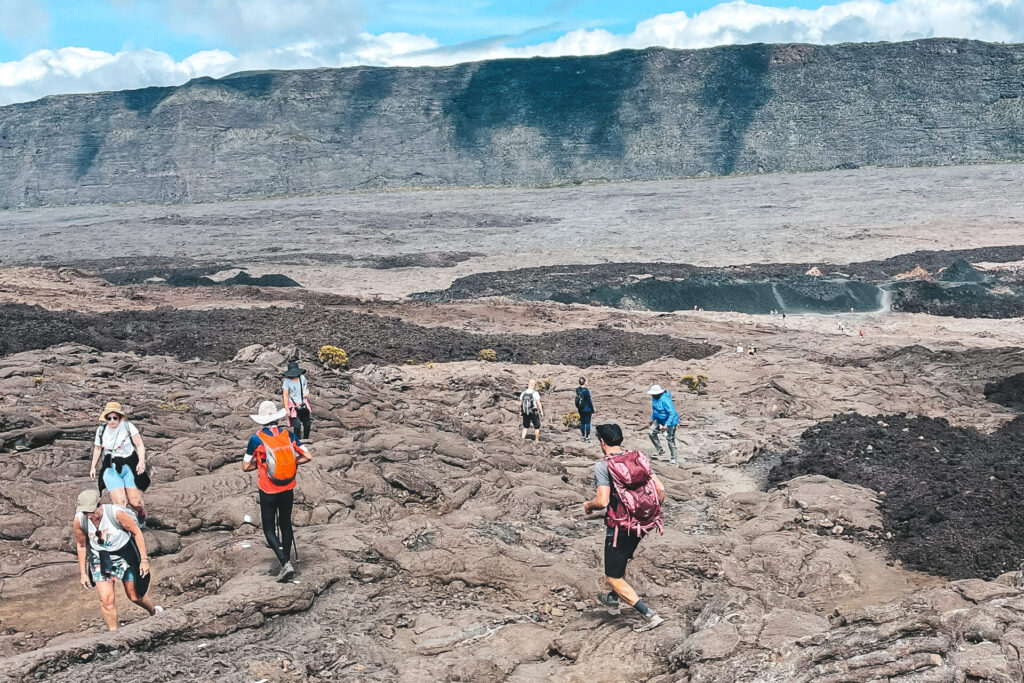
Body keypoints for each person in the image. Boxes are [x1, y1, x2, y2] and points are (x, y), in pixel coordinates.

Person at [583, 423, 665, 632]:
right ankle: (613, 598)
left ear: (602, 442)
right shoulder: (638, 457)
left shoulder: (604, 465)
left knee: (613, 576)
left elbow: (602, 501)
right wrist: (650, 512)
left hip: (620, 527)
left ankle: (649, 615)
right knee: (623, 560)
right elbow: (660, 488)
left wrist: (588, 505)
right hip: (642, 524)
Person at [73, 489, 162, 631]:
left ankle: (154, 612)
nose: (89, 516)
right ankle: (114, 635)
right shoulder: (80, 520)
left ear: (99, 505)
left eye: (91, 511)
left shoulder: (116, 514)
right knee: (106, 601)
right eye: (85, 513)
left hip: (124, 555)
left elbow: (136, 532)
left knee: (134, 596)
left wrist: (143, 560)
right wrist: (83, 573)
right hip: (100, 558)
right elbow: (81, 545)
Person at [243, 400, 312, 582]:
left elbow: (245, 466)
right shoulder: (288, 435)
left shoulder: (256, 438)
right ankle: (287, 560)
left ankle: (284, 563)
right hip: (287, 486)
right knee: (285, 523)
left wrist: (262, 466)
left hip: (268, 488)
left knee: (268, 529)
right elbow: (307, 456)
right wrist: (290, 463)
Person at [90, 401, 149, 526]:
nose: (112, 420)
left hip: (129, 466)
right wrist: (93, 467)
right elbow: (97, 449)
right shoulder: (101, 431)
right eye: (108, 418)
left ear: (119, 417)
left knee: (135, 502)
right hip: (110, 468)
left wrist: (141, 462)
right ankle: (128, 526)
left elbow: (139, 445)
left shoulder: (128, 427)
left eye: (114, 418)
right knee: (120, 504)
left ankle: (141, 512)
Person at [647, 384, 679, 465]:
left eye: (654, 394)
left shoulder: (665, 400)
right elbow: (655, 411)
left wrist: (666, 425)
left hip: (670, 421)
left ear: (659, 393)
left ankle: (674, 459)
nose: (653, 396)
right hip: (659, 419)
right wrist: (652, 419)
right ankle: (660, 449)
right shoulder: (654, 399)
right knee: (651, 433)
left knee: (670, 439)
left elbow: (671, 413)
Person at [282, 361, 312, 440]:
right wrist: (287, 409)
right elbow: (285, 395)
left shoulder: (302, 378)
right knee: (297, 425)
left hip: (303, 403)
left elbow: (306, 388)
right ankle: (297, 441)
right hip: (293, 405)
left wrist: (307, 393)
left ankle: (306, 439)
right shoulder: (287, 382)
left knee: (307, 424)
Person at [574, 377, 595, 442]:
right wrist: (592, 411)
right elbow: (589, 401)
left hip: (580, 409)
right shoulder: (586, 391)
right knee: (587, 423)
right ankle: (587, 437)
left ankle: (583, 436)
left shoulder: (577, 390)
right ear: (585, 382)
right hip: (587, 409)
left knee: (582, 422)